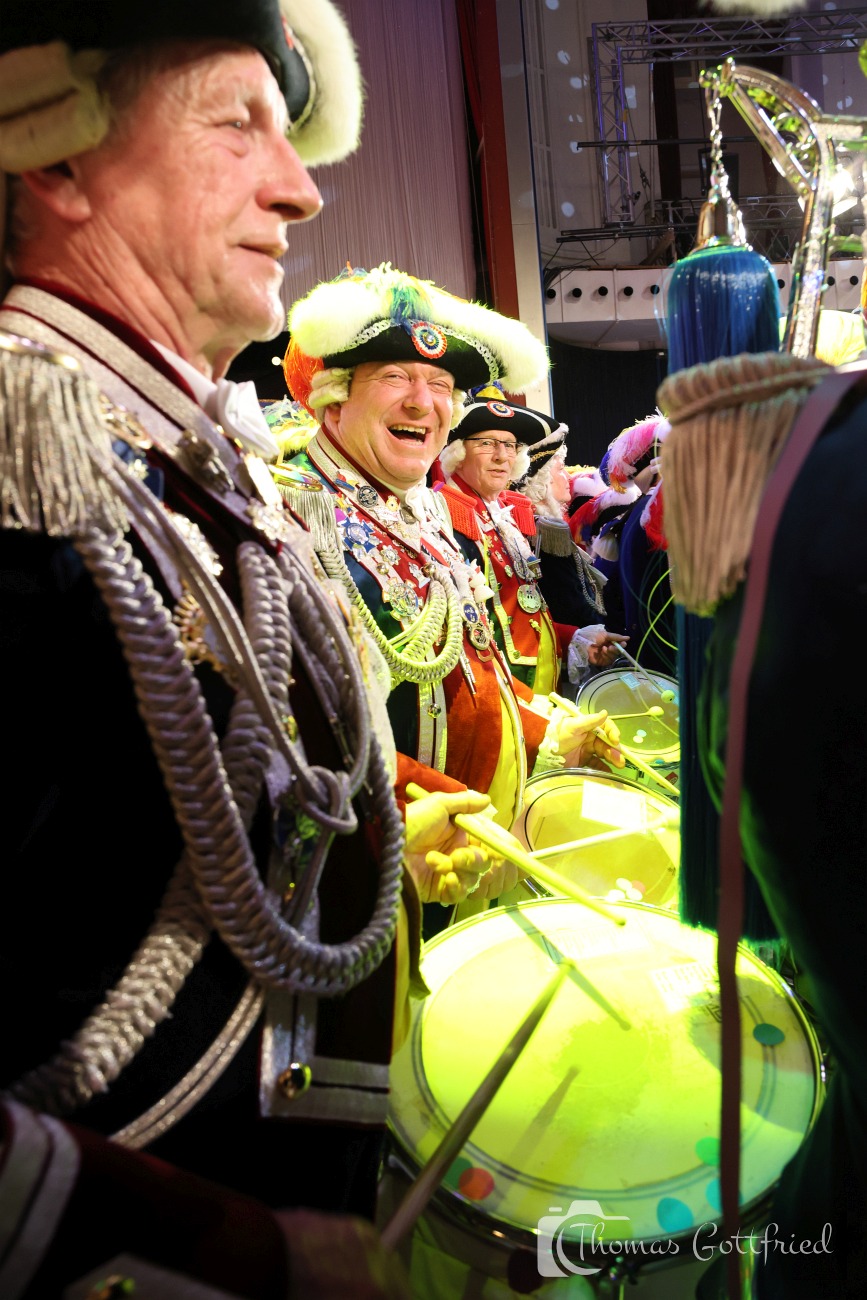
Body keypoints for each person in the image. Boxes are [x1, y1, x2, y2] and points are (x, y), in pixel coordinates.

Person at [0, 4, 493, 1294]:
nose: (300, 189)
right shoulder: (24, 473)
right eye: (239, 124)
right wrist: (222, 1244)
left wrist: (379, 815)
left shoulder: (174, 467)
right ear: (56, 159)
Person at [281, 263, 624, 840]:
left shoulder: (419, 510)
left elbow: (472, 667)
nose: (423, 403)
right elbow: (297, 735)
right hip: (407, 856)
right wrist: (419, 816)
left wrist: (544, 731)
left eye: (441, 385)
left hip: (482, 834)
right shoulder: (288, 516)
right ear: (333, 399)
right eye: (395, 376)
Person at [436, 391, 624, 694]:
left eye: (510, 445)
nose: (502, 456)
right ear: (457, 452)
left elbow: (522, 616)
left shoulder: (504, 515)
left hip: (535, 688)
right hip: (497, 693)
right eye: (486, 443)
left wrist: (574, 638)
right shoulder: (442, 513)